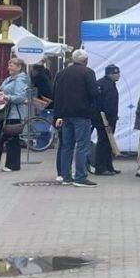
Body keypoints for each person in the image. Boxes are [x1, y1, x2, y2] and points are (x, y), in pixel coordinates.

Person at [52, 49, 100, 187]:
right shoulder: (88, 72)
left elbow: (57, 95)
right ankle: (80, 177)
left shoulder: (61, 74)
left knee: (67, 146)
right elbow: (93, 93)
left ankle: (66, 177)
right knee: (82, 146)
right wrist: (93, 108)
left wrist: (58, 115)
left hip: (65, 115)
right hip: (82, 115)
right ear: (86, 61)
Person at [0, 58, 30, 172]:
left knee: (12, 139)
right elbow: (1, 89)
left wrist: (6, 97)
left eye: (12, 65)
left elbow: (20, 97)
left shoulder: (21, 80)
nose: (9, 67)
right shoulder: (9, 79)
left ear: (19, 67)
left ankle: (13, 165)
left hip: (14, 113)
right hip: (5, 112)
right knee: (1, 138)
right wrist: (0, 94)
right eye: (9, 65)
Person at [91, 65, 121, 176]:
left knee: (108, 143)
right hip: (105, 120)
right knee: (104, 143)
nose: (118, 75)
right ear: (110, 74)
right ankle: (101, 168)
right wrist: (110, 119)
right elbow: (109, 104)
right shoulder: (109, 86)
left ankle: (108, 166)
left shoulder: (101, 83)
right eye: (116, 73)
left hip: (100, 118)